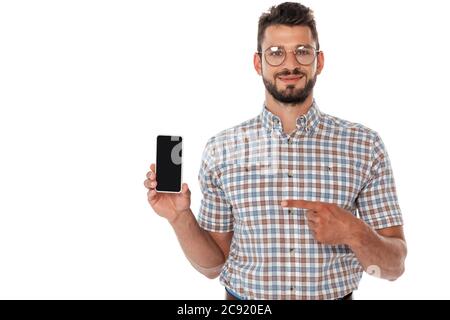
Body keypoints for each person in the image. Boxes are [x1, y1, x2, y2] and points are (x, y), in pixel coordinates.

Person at [144, 2, 407, 300]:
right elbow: (213, 265)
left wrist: (353, 231)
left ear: (318, 62)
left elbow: (394, 267)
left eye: (303, 51)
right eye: (276, 52)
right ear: (259, 64)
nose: (290, 63)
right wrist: (180, 217)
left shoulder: (364, 145)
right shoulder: (222, 150)